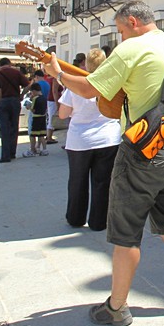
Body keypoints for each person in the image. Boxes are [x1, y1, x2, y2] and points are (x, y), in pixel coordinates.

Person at [42, 0, 164, 326]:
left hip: (142, 150)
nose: (120, 38)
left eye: (121, 30)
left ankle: (116, 307)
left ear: (134, 22)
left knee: (125, 233)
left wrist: (58, 73)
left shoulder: (132, 49)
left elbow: (88, 89)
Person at [58, 48, 121, 231]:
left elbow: (63, 114)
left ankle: (75, 217)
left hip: (80, 140)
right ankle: (99, 221)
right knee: (102, 182)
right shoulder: (112, 84)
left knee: (77, 181)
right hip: (108, 138)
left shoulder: (76, 86)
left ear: (86, 64)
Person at [0, 57, 30, 163]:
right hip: (15, 101)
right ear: (9, 64)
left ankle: (5, 155)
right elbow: (28, 85)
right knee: (14, 127)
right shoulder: (16, 73)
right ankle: (12, 152)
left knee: (4, 129)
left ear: (0, 65)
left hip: (2, 101)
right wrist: (22, 95)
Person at [22, 83, 48, 157]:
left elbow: (33, 110)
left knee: (33, 135)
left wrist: (28, 107)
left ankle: (32, 150)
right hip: (43, 117)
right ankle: (44, 149)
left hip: (36, 118)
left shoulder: (35, 99)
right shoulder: (44, 98)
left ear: (34, 91)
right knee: (41, 134)